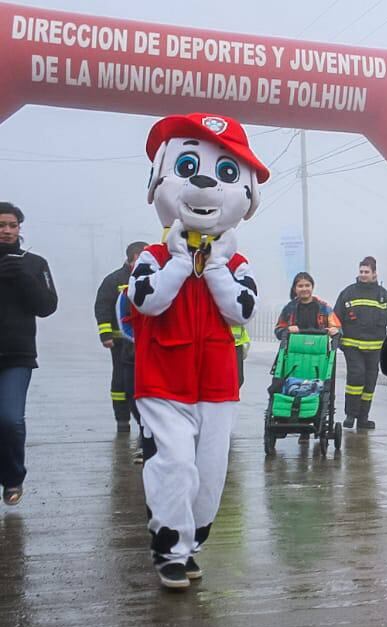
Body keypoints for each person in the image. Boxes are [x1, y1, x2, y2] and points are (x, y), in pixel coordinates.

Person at [126, 112, 267, 589]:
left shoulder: (239, 263)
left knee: (209, 473)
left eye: (228, 173)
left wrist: (216, 268)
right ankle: (169, 547)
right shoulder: (154, 256)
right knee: (175, 464)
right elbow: (148, 300)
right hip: (161, 377)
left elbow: (241, 312)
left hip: (217, 383)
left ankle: (192, 541)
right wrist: (182, 264)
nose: (206, 181)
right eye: (189, 167)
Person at [0, 202, 58, 507]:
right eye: (1, 225)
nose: (7, 231)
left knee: (9, 420)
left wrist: (23, 278)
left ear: (20, 229)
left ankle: (12, 479)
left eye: (12, 225)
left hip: (17, 356)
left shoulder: (34, 263)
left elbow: (47, 306)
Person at [93, 241, 148, 433]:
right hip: (120, 342)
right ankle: (122, 419)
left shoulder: (153, 276)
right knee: (120, 382)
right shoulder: (114, 280)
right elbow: (103, 307)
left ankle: (145, 421)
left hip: (145, 343)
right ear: (130, 258)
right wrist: (106, 334)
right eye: (140, 259)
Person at [335, 256, 387, 430]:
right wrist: (337, 336)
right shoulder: (348, 293)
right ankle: (350, 415)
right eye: (361, 271)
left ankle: (363, 418)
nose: (363, 274)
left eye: (366, 272)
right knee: (356, 376)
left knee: (370, 381)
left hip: (375, 348)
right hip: (352, 345)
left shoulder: (384, 297)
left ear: (374, 273)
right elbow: (336, 317)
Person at [274, 272, 340, 340]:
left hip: (319, 347)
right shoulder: (289, 308)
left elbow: (338, 329)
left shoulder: (324, 308)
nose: (304, 289)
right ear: (294, 289)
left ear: (312, 287)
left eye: (307, 285)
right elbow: (278, 330)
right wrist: (287, 330)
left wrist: (334, 330)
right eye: (300, 286)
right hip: (294, 347)